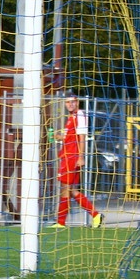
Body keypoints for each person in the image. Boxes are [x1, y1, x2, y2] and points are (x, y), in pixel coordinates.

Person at [50, 91, 103, 229]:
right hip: (67, 156)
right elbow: (70, 138)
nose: (70, 104)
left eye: (72, 101)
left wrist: (81, 157)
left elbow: (81, 137)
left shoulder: (79, 115)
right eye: (67, 102)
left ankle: (61, 222)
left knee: (66, 189)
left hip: (72, 157)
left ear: (77, 102)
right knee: (71, 190)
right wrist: (58, 136)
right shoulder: (71, 117)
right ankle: (95, 215)